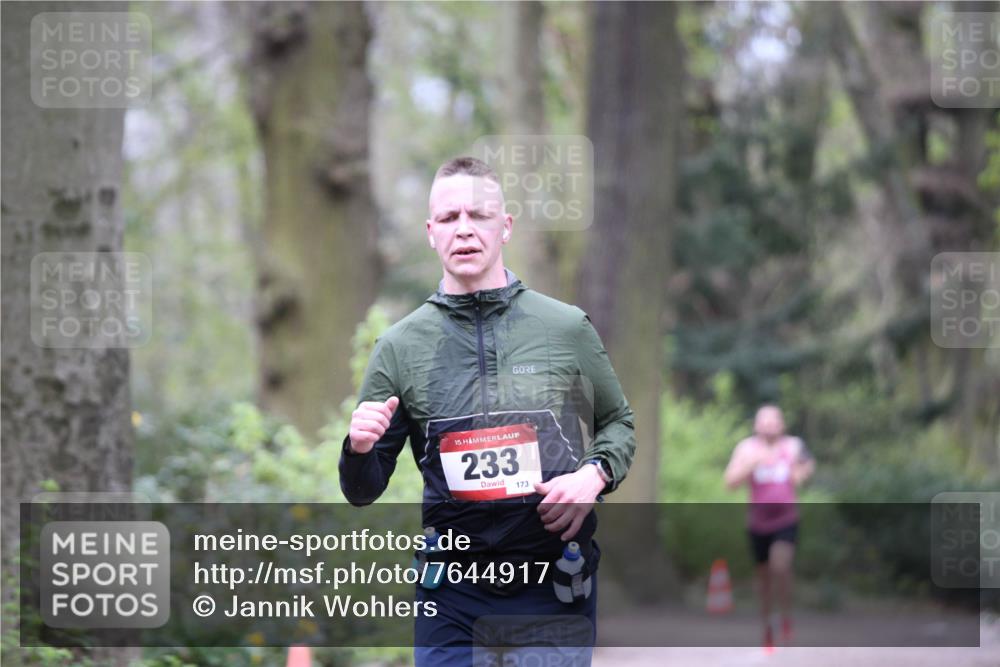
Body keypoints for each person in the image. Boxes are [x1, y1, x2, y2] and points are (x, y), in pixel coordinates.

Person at [339, 156, 636, 666]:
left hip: (552, 578)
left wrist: (595, 474)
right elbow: (362, 489)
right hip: (451, 589)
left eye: (478, 215)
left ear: (505, 226)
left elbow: (618, 424)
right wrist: (358, 448)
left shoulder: (564, 329)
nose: (464, 230)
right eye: (450, 218)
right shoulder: (399, 347)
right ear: (431, 233)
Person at [724, 404, 815, 653]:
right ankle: (767, 626)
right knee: (764, 579)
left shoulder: (793, 446)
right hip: (757, 524)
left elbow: (808, 465)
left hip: (786, 520)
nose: (769, 426)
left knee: (780, 567)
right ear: (756, 425)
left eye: (774, 421)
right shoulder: (746, 449)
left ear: (782, 424)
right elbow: (729, 482)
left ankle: (785, 615)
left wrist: (801, 473)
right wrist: (750, 466)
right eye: (764, 421)